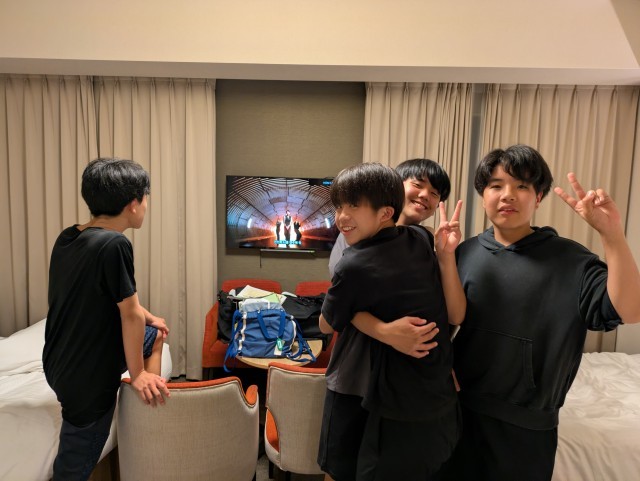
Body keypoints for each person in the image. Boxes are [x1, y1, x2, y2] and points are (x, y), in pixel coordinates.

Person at [437, 144, 640, 481]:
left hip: (527, 424)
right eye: (496, 185)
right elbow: (442, 321)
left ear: (539, 197)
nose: (508, 195)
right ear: (483, 196)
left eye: (522, 186)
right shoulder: (462, 252)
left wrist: (612, 235)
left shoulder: (572, 261)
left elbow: (631, 311)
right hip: (457, 411)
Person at [318, 162, 465, 481]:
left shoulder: (425, 240)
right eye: (418, 184)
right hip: (357, 372)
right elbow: (342, 305)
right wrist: (384, 331)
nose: (425, 195)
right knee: (342, 464)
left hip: (402, 384)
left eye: (435, 193)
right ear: (396, 188)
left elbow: (448, 312)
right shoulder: (355, 237)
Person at [43, 157, 171, 481]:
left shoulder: (68, 237)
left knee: (154, 332)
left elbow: (122, 300)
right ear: (133, 204)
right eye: (145, 198)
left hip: (57, 362)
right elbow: (129, 315)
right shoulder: (115, 244)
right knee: (75, 465)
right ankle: (147, 399)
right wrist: (138, 374)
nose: (146, 206)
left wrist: (151, 318)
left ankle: (146, 407)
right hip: (88, 380)